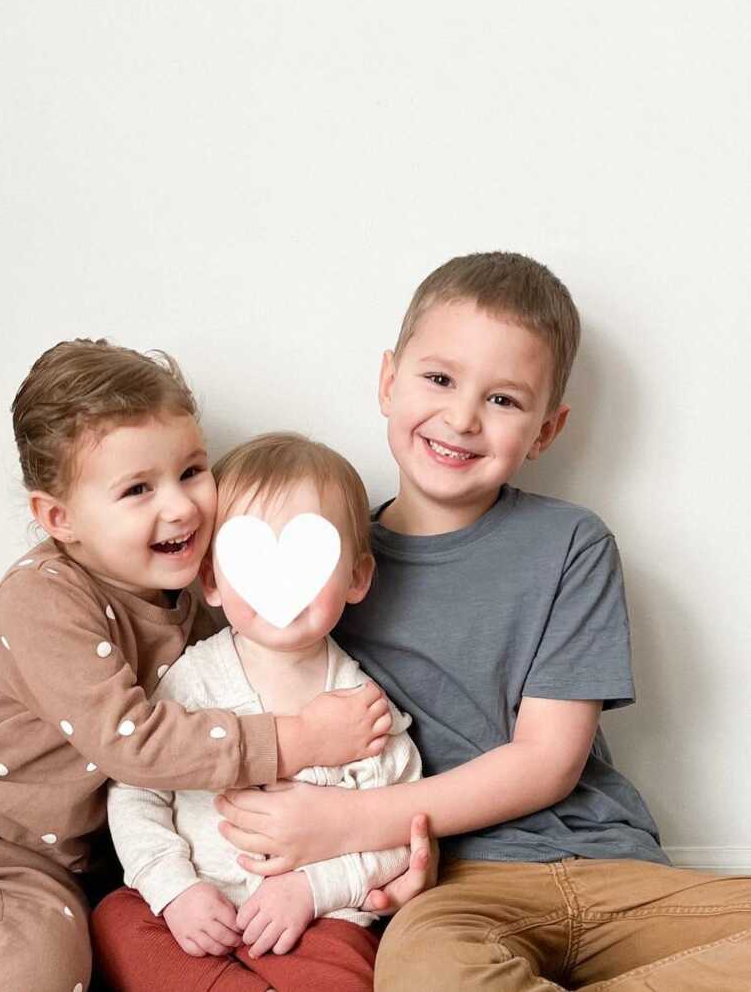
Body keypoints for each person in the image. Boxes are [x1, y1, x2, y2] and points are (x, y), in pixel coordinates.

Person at [214, 253, 751, 991]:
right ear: (387, 382)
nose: (462, 417)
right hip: (458, 890)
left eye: (503, 399)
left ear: (546, 429)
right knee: (424, 973)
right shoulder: (323, 577)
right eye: (439, 379)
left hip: (616, 870)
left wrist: (349, 822)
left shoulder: (571, 543)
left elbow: (547, 760)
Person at [0, 339, 396, 992]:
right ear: (60, 518)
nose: (180, 505)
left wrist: (359, 862)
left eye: (192, 471)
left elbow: (190, 781)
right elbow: (130, 740)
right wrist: (297, 738)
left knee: (44, 964)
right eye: (138, 488)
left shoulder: (205, 624)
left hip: (29, 872)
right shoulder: (46, 594)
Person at [91, 433, 425, 992]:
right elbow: (137, 791)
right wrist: (175, 891)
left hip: (315, 921)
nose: (280, 584)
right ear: (212, 581)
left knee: (350, 966)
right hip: (195, 910)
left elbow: (396, 836)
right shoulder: (191, 682)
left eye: (309, 560)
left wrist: (314, 888)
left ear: (357, 578)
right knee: (114, 922)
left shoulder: (364, 708)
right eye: (249, 559)